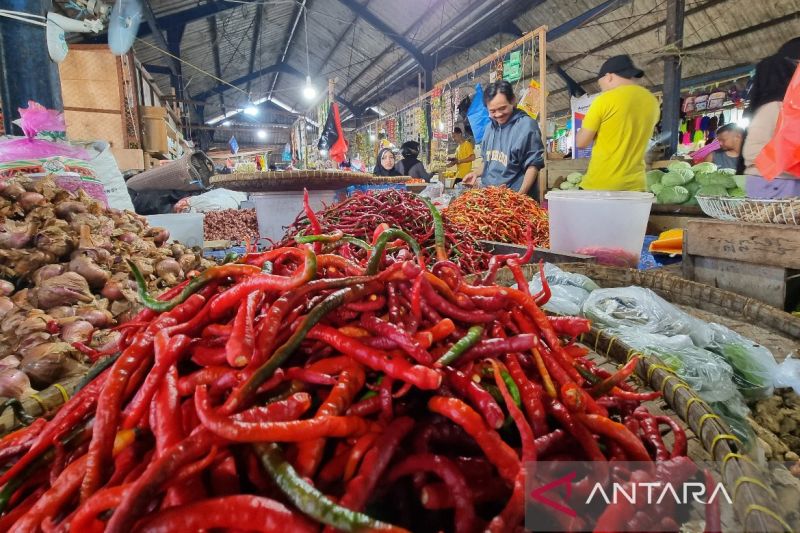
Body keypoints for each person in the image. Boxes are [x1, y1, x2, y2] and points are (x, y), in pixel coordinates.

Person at [575, 55, 659, 191]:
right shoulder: (652, 101)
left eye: (600, 83)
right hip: (636, 187)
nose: (601, 87)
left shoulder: (605, 100)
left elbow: (581, 142)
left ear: (608, 76)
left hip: (601, 185)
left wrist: (582, 131)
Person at [462, 80, 545, 198]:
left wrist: (520, 197)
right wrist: (475, 173)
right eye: (493, 111)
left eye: (502, 108)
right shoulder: (489, 129)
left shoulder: (526, 126)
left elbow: (533, 165)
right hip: (492, 199)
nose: (498, 114)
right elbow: (487, 161)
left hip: (516, 198)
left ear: (513, 101)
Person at [742, 38, 800, 198]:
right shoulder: (778, 105)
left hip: (773, 180)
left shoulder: (779, 103)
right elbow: (756, 152)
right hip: (775, 183)